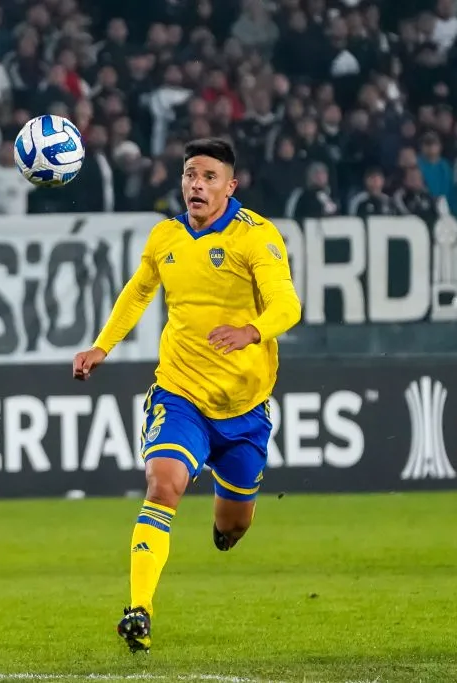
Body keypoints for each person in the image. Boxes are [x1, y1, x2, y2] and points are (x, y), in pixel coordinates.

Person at [72, 138, 301, 653]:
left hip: (244, 407)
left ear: (230, 186)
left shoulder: (256, 236)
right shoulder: (166, 236)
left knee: (233, 525)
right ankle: (139, 611)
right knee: (163, 485)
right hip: (180, 394)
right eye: (190, 175)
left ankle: (227, 527)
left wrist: (251, 331)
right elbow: (138, 291)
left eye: (208, 177)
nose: (196, 185)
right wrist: (102, 345)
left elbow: (288, 305)